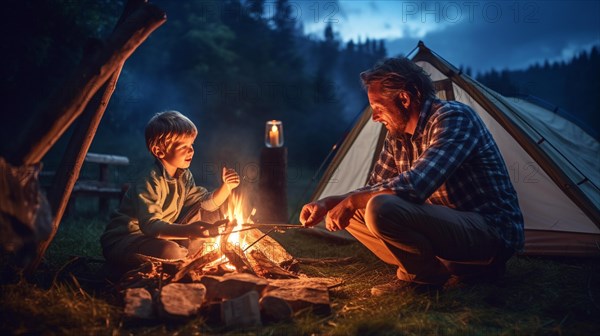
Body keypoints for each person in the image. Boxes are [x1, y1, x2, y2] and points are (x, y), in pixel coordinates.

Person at [300, 57, 524, 294]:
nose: (375, 118)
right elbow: (373, 188)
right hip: (447, 228)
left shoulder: (453, 118)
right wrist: (327, 203)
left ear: (405, 99)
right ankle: (441, 267)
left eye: (378, 108)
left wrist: (354, 200)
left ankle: (424, 277)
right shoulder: (397, 136)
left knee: (379, 207)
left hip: (488, 231)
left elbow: (417, 185)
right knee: (356, 210)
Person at [101, 110, 240, 270]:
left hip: (154, 238)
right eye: (184, 146)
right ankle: (182, 259)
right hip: (126, 240)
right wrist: (188, 231)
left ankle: (185, 258)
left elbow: (204, 204)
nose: (191, 151)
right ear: (159, 151)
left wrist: (226, 187)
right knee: (170, 251)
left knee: (210, 218)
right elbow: (150, 226)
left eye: (191, 145)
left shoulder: (184, 176)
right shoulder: (149, 180)